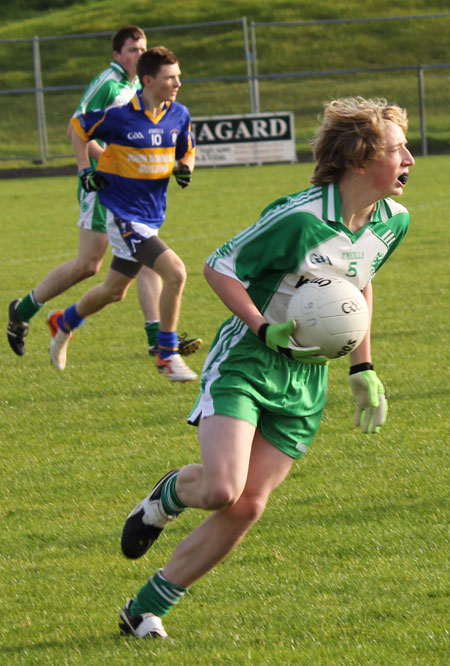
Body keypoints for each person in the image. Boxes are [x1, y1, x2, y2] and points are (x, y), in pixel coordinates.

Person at [117, 96, 415, 638]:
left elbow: (357, 286)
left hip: (306, 380)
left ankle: (145, 608)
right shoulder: (300, 217)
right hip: (249, 361)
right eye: (398, 150)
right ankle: (165, 498)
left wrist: (361, 367)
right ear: (359, 160)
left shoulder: (393, 222)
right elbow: (219, 266)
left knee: (248, 505)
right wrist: (261, 324)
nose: (410, 159)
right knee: (221, 490)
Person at [6, 26, 201, 363]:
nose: (138, 54)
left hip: (129, 192)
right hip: (102, 184)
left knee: (144, 260)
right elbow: (75, 128)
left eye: (142, 48)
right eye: (131, 50)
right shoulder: (109, 84)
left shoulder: (139, 88)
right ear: (117, 56)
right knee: (89, 265)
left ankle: (158, 340)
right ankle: (22, 311)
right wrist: (109, 165)